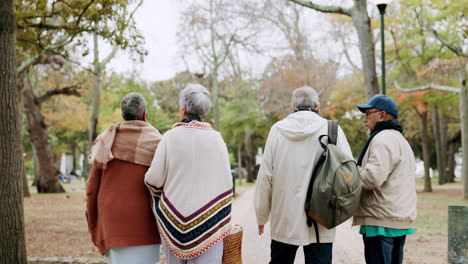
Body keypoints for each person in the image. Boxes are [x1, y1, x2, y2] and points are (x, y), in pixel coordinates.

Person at [254, 86, 353, 264]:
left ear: (293, 106)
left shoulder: (277, 130)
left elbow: (265, 178)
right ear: (318, 106)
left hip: (284, 218)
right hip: (321, 218)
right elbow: (349, 174)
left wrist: (262, 215)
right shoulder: (332, 130)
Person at [145, 84, 233, 264]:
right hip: (210, 224)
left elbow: (153, 179)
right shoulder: (217, 139)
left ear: (183, 109)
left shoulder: (169, 137)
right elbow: (227, 183)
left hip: (173, 223)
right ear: (205, 111)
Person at [86, 92, 162, 264]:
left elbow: (91, 189)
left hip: (111, 222)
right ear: (145, 114)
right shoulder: (158, 143)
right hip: (144, 223)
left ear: (123, 114)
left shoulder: (106, 140)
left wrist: (94, 222)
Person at [353, 94, 417, 264]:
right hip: (397, 220)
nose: (364, 119)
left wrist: (352, 170)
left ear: (382, 115)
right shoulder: (400, 140)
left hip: (380, 222)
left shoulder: (382, 139)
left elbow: (372, 178)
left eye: (368, 114)